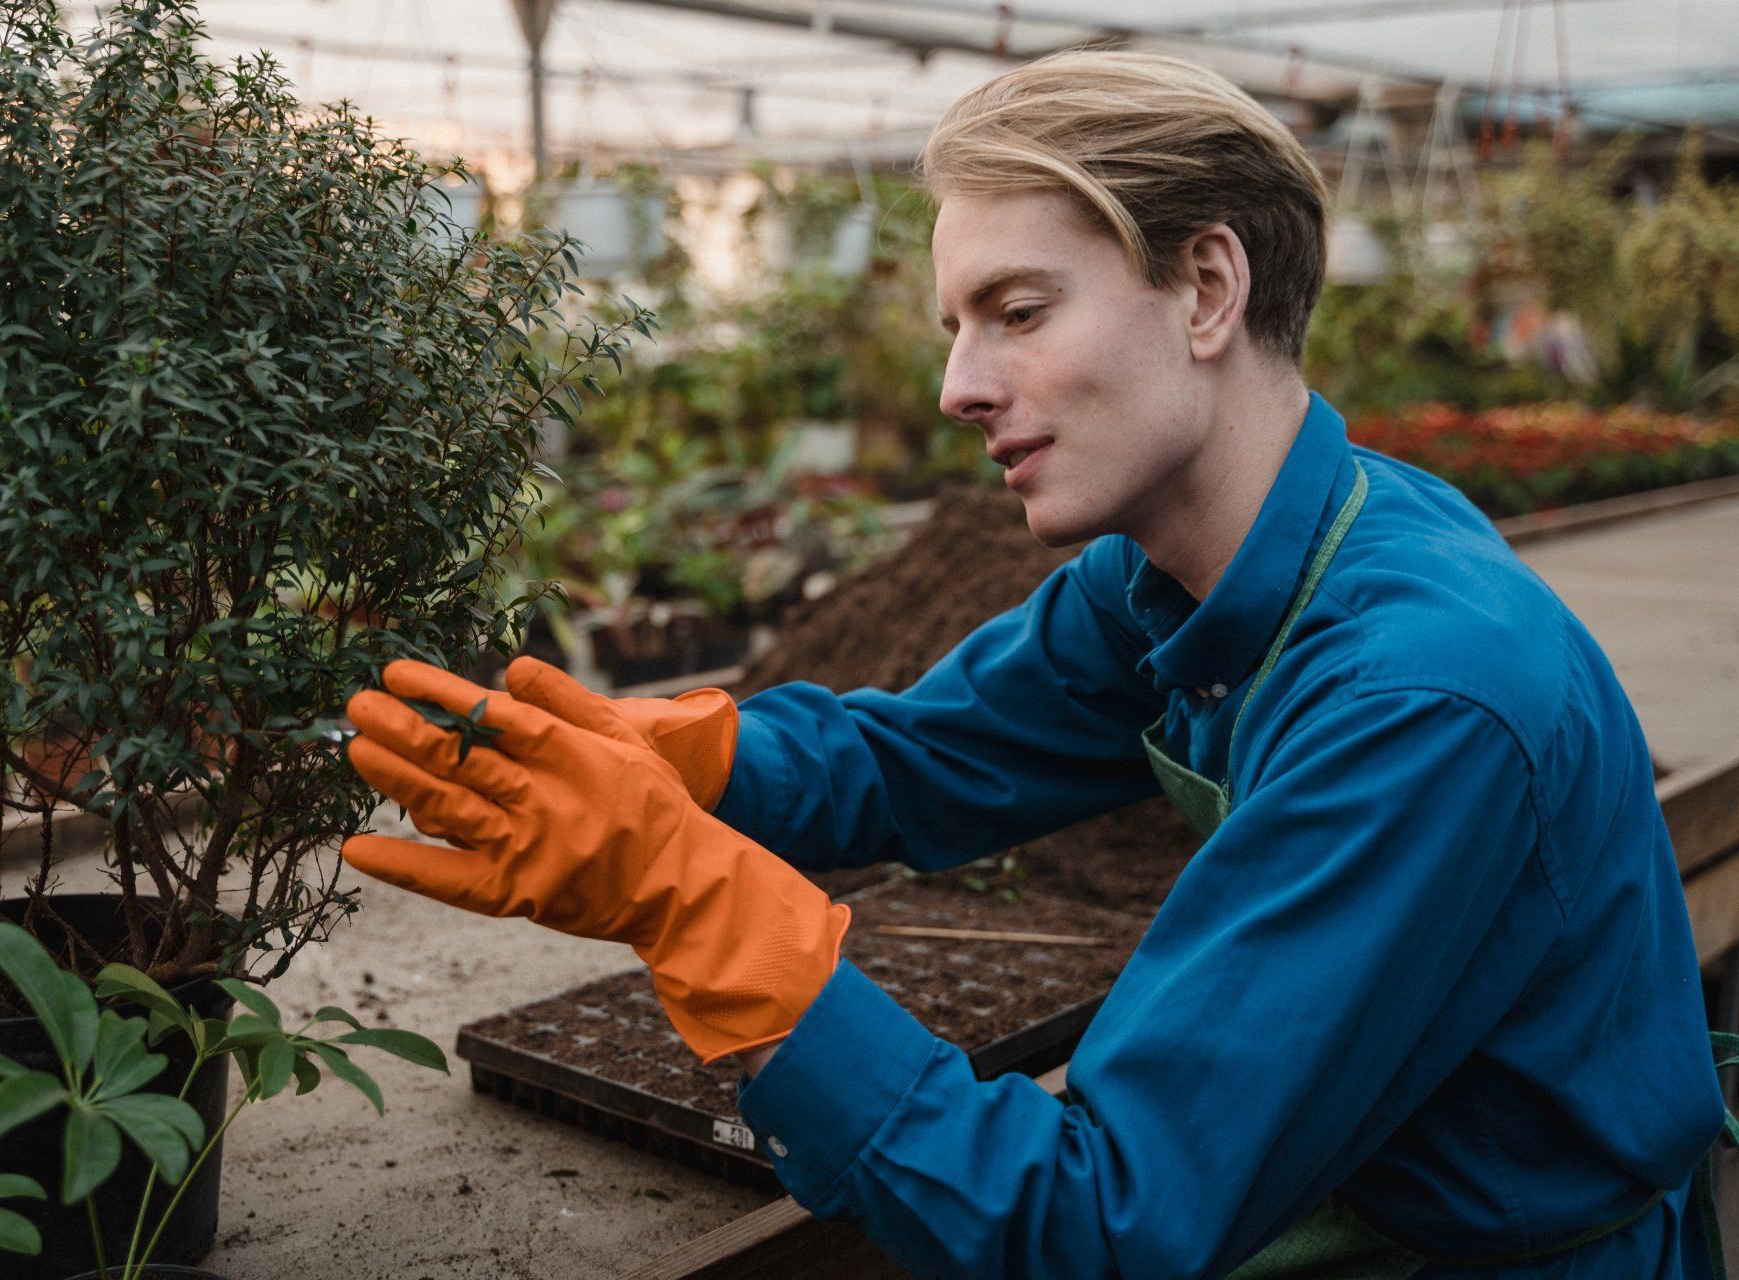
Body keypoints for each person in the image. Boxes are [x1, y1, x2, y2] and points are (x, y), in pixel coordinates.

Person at [335, 50, 1732, 1279]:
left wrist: (701, 915)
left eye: (1016, 309)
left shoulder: (1418, 701)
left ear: (1205, 287)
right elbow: (927, 755)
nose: (956, 385)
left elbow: (1104, 1225)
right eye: (957, 323)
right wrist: (694, 760)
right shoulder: (1186, 570)